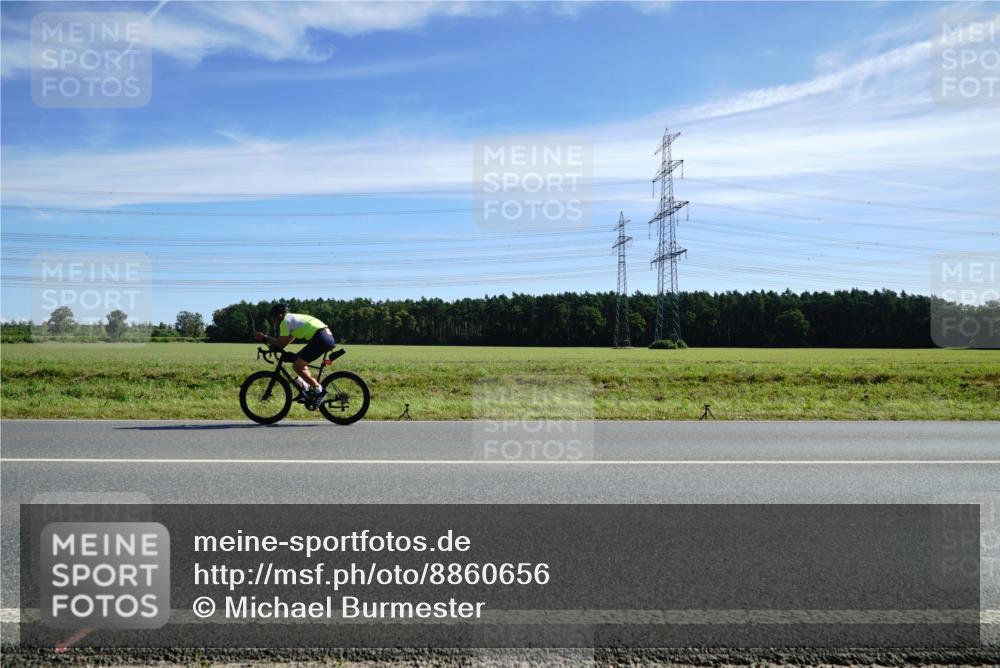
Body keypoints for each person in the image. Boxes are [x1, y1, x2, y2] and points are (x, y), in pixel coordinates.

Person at [254, 303, 335, 409]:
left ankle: (319, 390)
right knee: (298, 361)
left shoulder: (285, 322)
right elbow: (284, 342)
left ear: (279, 315)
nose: (273, 321)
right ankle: (306, 389)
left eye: (273, 318)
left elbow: (280, 344)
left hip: (321, 339)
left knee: (297, 366)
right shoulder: (291, 319)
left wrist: (264, 338)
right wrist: (272, 345)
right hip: (324, 336)